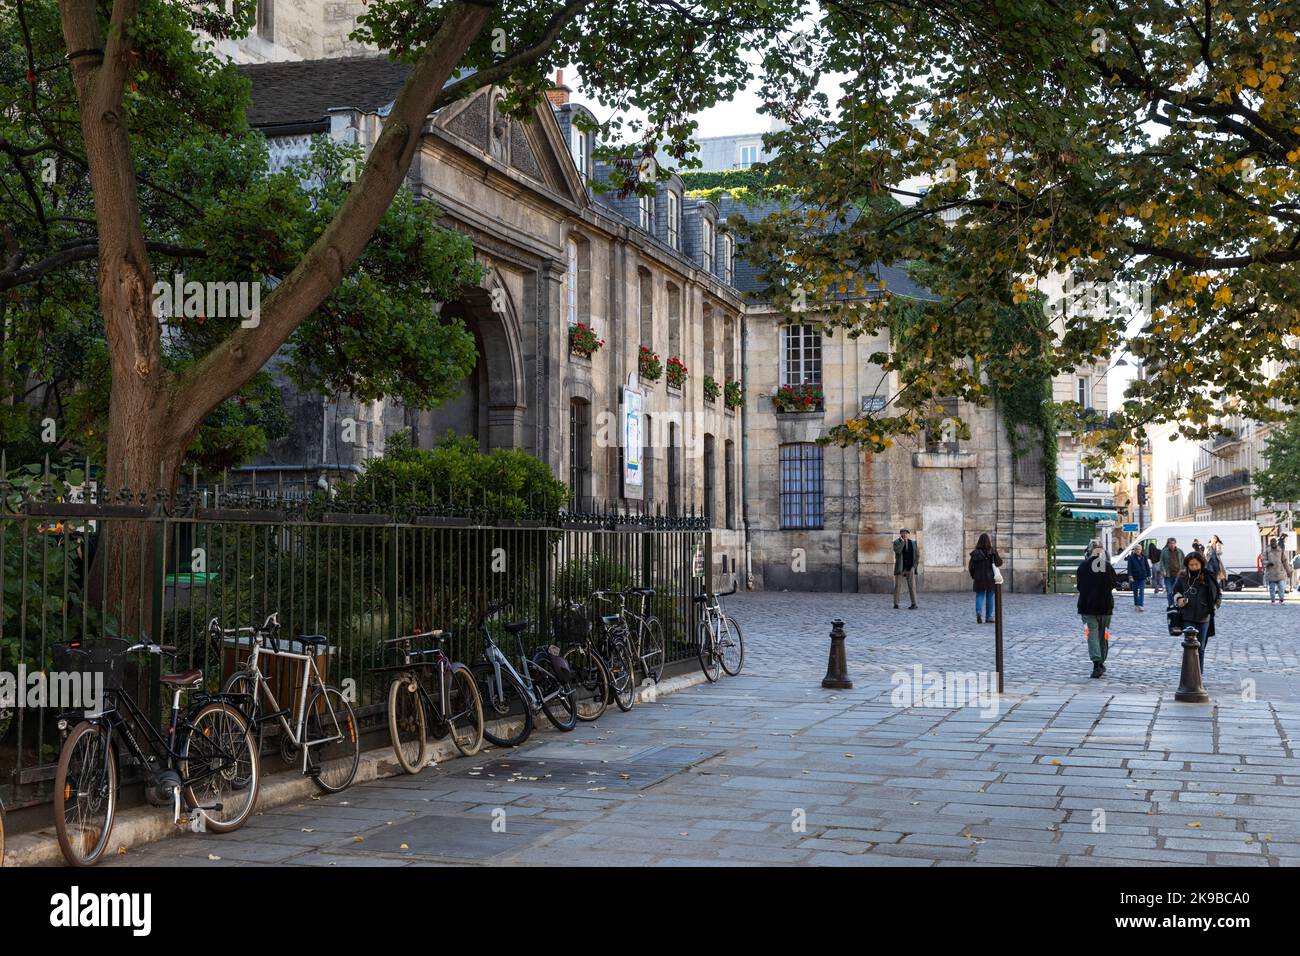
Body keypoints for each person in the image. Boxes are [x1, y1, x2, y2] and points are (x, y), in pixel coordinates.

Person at [1172, 550, 1221, 673]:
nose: (1194, 567)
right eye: (1191, 565)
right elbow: (1175, 591)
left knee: (1201, 646)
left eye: (1196, 565)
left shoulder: (1208, 576)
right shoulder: (1183, 577)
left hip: (1204, 616)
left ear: (1201, 564)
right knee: (1189, 646)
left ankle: (1199, 674)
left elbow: (1218, 594)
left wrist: (1214, 606)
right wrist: (1179, 599)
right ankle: (1189, 674)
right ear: (1187, 565)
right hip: (1187, 615)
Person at [1076, 539, 1117, 679]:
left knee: (1091, 635)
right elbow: (1113, 584)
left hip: (1087, 608)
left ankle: (1096, 663)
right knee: (1103, 636)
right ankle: (1101, 662)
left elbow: (1079, 586)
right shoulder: (1107, 566)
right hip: (1105, 608)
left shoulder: (1082, 567)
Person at [968, 533, 1002, 624]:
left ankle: (978, 612)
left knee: (979, 595)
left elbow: (971, 567)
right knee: (990, 597)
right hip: (990, 578)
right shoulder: (992, 551)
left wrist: (973, 576)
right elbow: (999, 563)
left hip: (979, 578)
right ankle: (989, 617)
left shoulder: (975, 553)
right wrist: (996, 555)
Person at [893, 528, 919, 610]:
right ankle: (896, 603)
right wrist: (903, 542)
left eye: (906, 533)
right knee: (898, 586)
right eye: (902, 533)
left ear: (908, 534)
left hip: (910, 567)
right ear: (900, 534)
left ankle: (914, 603)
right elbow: (897, 551)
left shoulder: (913, 543)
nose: (904, 534)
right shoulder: (897, 542)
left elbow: (917, 555)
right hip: (900, 567)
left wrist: (914, 566)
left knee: (912, 586)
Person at [1160, 537, 1184, 609]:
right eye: (1170, 543)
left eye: (1173, 543)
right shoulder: (1164, 551)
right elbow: (1161, 562)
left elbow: (1184, 561)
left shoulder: (1180, 551)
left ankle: (1177, 604)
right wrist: (1163, 570)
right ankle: (1171, 604)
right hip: (1168, 575)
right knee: (1169, 591)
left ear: (1175, 543)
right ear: (1168, 544)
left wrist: (1183, 570)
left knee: (1177, 591)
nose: (1172, 545)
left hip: (1178, 575)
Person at [1125, 545, 1151, 611]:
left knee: (1141, 591)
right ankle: (1136, 604)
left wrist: (1149, 575)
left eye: (1139, 549)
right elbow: (1129, 568)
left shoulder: (1144, 557)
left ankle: (1140, 605)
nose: (1138, 550)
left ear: (1141, 550)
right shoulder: (1131, 557)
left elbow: (1147, 566)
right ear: (1134, 550)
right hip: (1134, 577)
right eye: (1136, 549)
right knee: (1135, 591)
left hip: (1142, 576)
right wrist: (1130, 576)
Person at [1264, 538, 1289, 604]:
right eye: (1272, 543)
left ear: (1276, 543)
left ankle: (1281, 599)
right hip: (1271, 572)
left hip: (1279, 572)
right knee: (1272, 588)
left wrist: (1288, 571)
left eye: (1274, 543)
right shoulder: (1267, 551)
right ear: (1270, 543)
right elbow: (1263, 559)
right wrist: (1267, 563)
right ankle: (1273, 600)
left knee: (1281, 587)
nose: (1274, 544)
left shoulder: (1280, 550)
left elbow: (1285, 561)